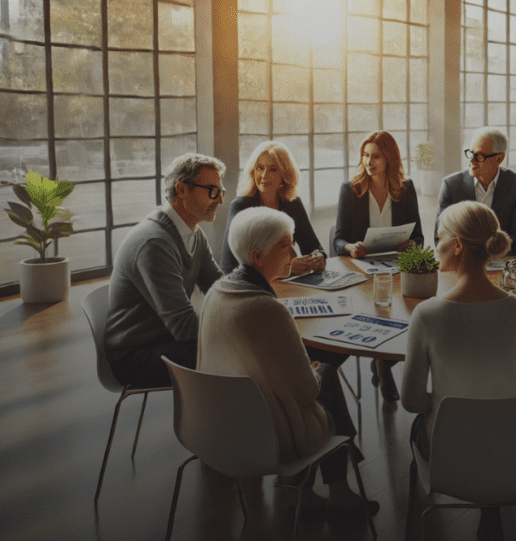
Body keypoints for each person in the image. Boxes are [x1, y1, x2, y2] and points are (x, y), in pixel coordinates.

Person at [198, 207, 379, 523]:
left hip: (217, 428)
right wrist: (315, 368)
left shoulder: (216, 292)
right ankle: (340, 493)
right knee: (326, 376)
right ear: (258, 254)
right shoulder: (267, 310)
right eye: (286, 244)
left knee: (314, 375)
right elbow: (308, 391)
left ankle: (310, 496)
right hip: (266, 437)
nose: (295, 253)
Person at [401, 201, 516, 541]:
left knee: (421, 426)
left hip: (451, 456)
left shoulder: (428, 314)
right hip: (512, 451)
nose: (435, 246)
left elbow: (411, 402)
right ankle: (491, 516)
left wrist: (450, 404)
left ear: (458, 244)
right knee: (492, 418)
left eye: (439, 237)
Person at [104, 153, 226, 388]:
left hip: (165, 340)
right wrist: (239, 322)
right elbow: (184, 327)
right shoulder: (155, 243)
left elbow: (218, 287)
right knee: (235, 354)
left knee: (240, 348)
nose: (219, 200)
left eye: (221, 192)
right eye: (212, 191)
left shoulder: (194, 234)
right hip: (134, 356)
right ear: (182, 189)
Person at [333, 130, 424, 402]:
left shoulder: (405, 190)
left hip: (396, 267)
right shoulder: (350, 190)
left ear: (389, 160)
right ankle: (384, 367)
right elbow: (338, 239)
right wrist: (350, 247)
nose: (368, 162)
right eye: (365, 155)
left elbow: (418, 236)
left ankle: (383, 361)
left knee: (409, 318)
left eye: (375, 157)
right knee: (380, 314)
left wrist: (411, 246)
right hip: (362, 271)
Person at [218, 140, 325, 275]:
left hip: (291, 285)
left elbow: (313, 247)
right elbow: (228, 267)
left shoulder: (293, 203)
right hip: (254, 288)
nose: (264, 175)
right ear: (253, 171)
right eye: (260, 168)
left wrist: (318, 257)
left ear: (285, 174)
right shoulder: (240, 206)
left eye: (273, 169)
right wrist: (285, 268)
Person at [434, 127, 516, 255]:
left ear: (499, 158)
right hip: (464, 264)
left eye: (479, 156)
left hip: (500, 262)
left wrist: (485, 251)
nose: (471, 160)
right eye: (470, 153)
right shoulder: (451, 185)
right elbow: (440, 237)